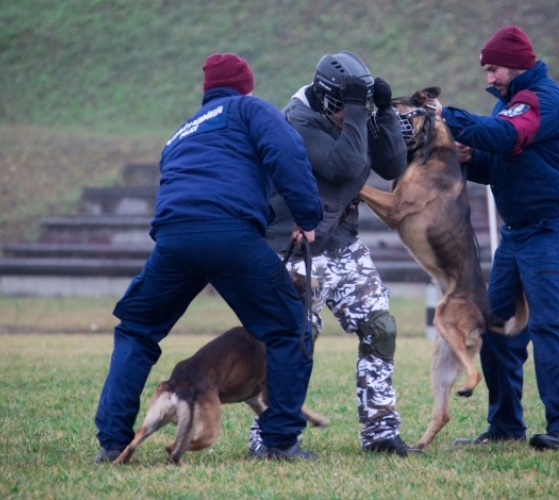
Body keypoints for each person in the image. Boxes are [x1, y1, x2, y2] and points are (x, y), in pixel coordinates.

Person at [93, 53, 323, 462]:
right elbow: (286, 150)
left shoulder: (182, 132)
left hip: (174, 239)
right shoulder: (251, 109)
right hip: (231, 233)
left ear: (206, 91)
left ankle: (113, 442)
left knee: (137, 330)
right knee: (289, 327)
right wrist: (306, 216)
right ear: (246, 86)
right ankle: (280, 441)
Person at [250, 51, 420, 457]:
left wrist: (381, 110)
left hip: (341, 242)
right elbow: (343, 166)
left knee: (381, 328)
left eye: (353, 105)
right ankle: (272, 439)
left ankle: (380, 432)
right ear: (326, 98)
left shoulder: (356, 115)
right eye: (344, 105)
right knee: (295, 342)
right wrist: (361, 110)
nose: (349, 113)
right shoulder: (296, 120)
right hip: (292, 246)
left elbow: (394, 162)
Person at [432, 26, 559, 450]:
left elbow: (505, 135)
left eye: (493, 68)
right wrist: (472, 158)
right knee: (496, 327)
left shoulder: (541, 99)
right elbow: (501, 159)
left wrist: (447, 118)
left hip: (551, 228)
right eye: (486, 70)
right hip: (517, 234)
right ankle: (504, 428)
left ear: (518, 63)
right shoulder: (516, 104)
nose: (489, 78)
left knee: (551, 327)